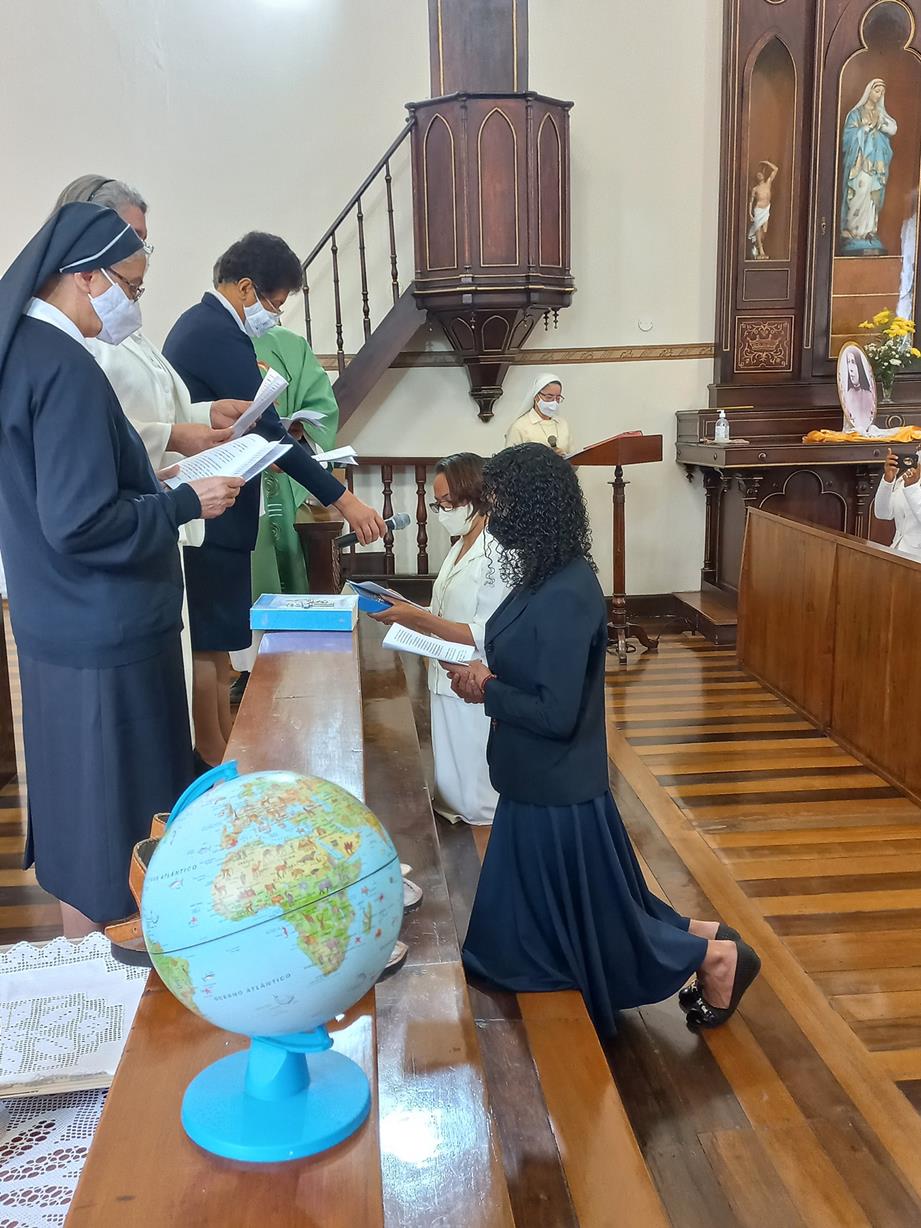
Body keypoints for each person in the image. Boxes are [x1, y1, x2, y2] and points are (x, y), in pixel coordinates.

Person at [443, 444, 760, 1036]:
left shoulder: (567, 591)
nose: (492, 514)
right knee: (595, 913)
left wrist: (487, 689)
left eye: (500, 502)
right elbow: (522, 660)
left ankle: (714, 958)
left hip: (556, 784)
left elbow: (558, 713)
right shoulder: (539, 574)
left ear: (535, 507)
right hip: (531, 778)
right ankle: (707, 938)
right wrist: (482, 674)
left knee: (606, 929)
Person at [0, 202, 243, 937]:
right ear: (85, 276)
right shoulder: (65, 366)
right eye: (130, 287)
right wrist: (184, 501)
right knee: (121, 822)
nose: (132, 302)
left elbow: (60, 493)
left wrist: (148, 482)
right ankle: (125, 967)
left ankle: (88, 956)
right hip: (105, 632)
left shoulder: (23, 351)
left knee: (78, 808)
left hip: (57, 622)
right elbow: (80, 523)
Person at [163, 232, 386, 765]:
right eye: (275, 303)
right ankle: (211, 753)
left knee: (219, 643)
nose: (275, 316)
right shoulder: (215, 332)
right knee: (210, 642)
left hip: (219, 508)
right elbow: (269, 432)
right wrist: (344, 500)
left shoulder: (210, 327)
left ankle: (222, 747)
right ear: (246, 288)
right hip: (209, 512)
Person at [51, 176, 252, 729]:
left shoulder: (123, 322)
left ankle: (192, 757)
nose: (141, 249)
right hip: (127, 519)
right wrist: (176, 435)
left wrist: (204, 415)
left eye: (144, 238)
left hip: (162, 508)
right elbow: (101, 433)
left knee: (181, 668)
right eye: (130, 236)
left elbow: (156, 400)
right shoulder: (77, 334)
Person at [369, 453, 511, 825]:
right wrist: (404, 611)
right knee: (450, 775)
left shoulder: (496, 551)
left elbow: (485, 631)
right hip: (445, 668)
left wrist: (416, 617)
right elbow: (442, 608)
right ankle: (453, 808)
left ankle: (483, 818)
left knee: (477, 784)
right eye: (438, 503)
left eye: (448, 502)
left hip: (476, 672)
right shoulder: (459, 545)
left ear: (476, 495)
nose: (442, 511)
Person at [840, 79, 898, 252]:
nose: (878, 95)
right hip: (859, 165)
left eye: (881, 92)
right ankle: (853, 232)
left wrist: (879, 125)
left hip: (876, 166)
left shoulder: (880, 115)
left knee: (872, 197)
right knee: (859, 192)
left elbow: (893, 128)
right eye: (876, 91)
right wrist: (864, 130)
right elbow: (847, 138)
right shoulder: (856, 114)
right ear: (869, 91)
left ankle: (868, 231)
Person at [504, 372, 571, 454]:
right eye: (549, 397)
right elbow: (509, 459)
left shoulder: (563, 424)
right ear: (536, 397)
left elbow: (573, 456)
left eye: (557, 398)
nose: (554, 402)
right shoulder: (519, 427)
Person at [874, 448, 921, 559]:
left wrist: (911, 488)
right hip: (897, 554)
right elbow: (883, 513)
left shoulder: (911, 483)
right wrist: (888, 480)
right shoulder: (908, 477)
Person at [840, 344, 876, 434]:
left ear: (859, 365)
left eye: (853, 362)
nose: (850, 369)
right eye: (848, 362)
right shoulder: (847, 396)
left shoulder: (869, 395)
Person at [748, 160, 779, 260]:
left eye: (760, 174)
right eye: (758, 175)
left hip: (766, 209)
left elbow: (776, 169)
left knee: (764, 230)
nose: (759, 176)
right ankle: (761, 250)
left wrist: (767, 163)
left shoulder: (768, 183)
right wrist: (750, 213)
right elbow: (751, 201)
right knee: (758, 228)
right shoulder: (755, 189)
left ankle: (757, 245)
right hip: (758, 209)